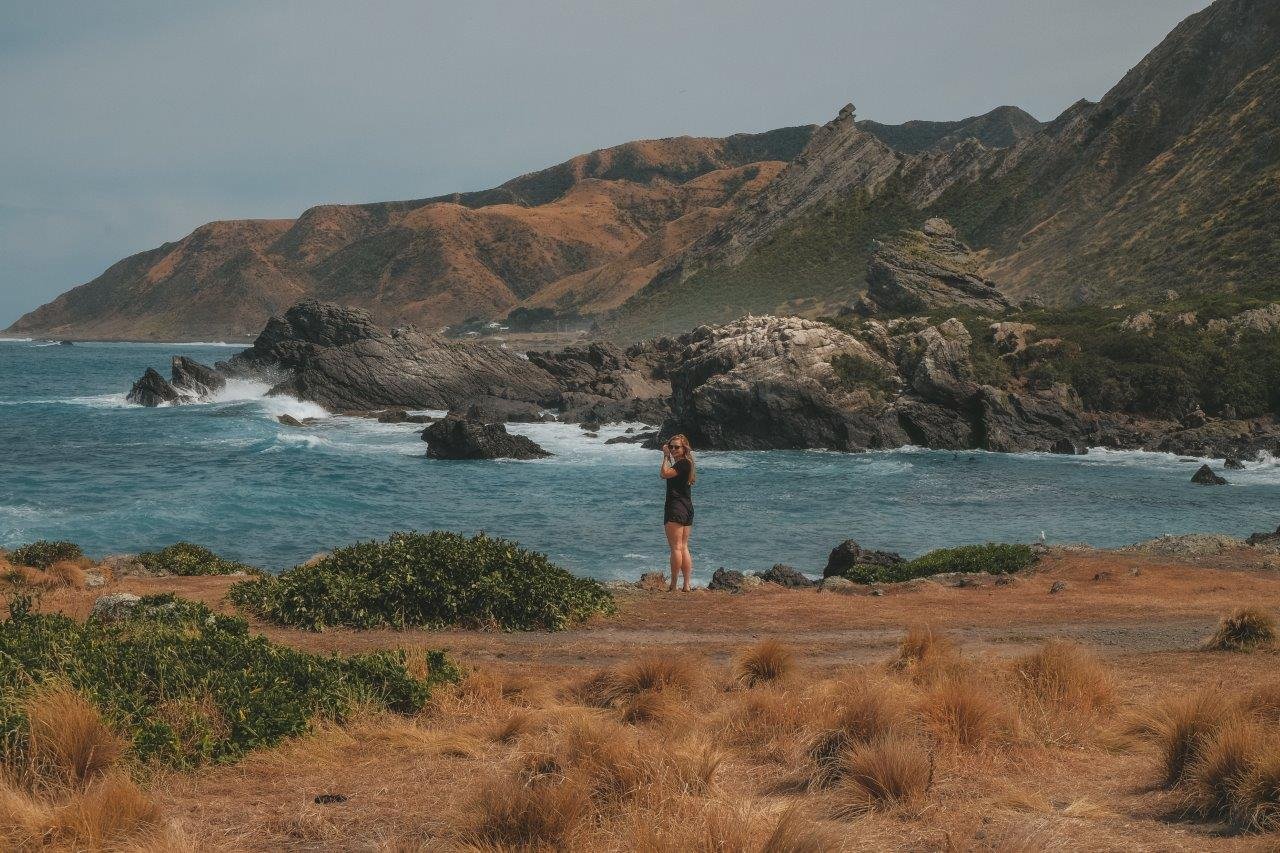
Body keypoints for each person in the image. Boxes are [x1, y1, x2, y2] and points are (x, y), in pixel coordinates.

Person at [659, 434, 696, 592]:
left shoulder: (682, 464)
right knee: (683, 547)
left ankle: (674, 584)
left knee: (676, 547)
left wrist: (666, 456)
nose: (673, 449)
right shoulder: (687, 464)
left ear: (684, 448)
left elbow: (664, 474)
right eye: (671, 446)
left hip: (676, 507)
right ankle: (686, 585)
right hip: (686, 507)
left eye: (677, 447)